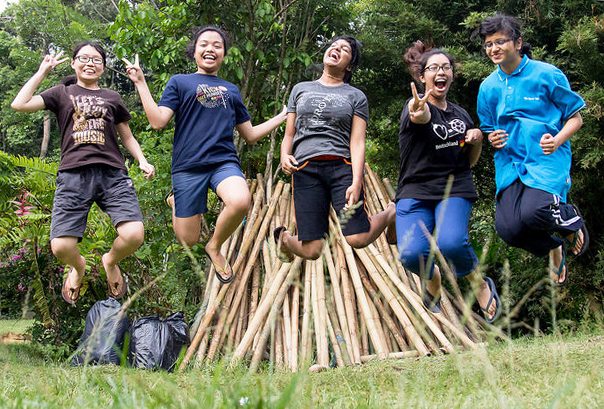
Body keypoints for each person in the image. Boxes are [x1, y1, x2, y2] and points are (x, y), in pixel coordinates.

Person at [123, 25, 287, 284]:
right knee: (187, 240)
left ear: (224, 54)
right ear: (194, 51)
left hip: (223, 162)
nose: (210, 49)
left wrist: (283, 115)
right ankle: (177, 201)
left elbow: (250, 135)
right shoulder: (180, 82)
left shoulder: (231, 90)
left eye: (217, 45)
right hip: (188, 166)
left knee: (240, 200)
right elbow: (157, 121)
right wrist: (141, 83)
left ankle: (214, 247)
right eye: (204, 44)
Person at [11, 42, 155, 304]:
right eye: (84, 58)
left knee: (134, 235)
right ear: (73, 63)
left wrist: (142, 160)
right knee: (61, 247)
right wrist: (43, 71)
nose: (90, 63)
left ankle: (110, 261)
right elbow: (19, 104)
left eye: (96, 59)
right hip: (73, 175)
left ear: (103, 66)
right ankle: (78, 267)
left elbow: (127, 137)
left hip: (113, 174)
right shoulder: (61, 92)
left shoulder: (113, 97)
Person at [476, 14, 588, 285]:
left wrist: (558, 139)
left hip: (546, 159)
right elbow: (488, 128)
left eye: (500, 41)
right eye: (489, 44)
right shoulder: (488, 87)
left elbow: (576, 117)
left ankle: (571, 221)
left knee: (533, 212)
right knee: (509, 230)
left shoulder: (546, 74)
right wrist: (492, 138)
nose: (494, 49)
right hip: (511, 165)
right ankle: (552, 247)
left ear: (518, 42)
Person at [395, 40, 500, 322]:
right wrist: (420, 110)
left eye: (446, 67)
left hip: (455, 188)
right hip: (415, 190)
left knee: (452, 243)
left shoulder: (461, 114)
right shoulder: (413, 107)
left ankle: (479, 284)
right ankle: (432, 279)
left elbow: (471, 160)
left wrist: (476, 139)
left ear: (451, 75)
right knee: (410, 253)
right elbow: (421, 116)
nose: (441, 72)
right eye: (434, 68)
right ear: (422, 76)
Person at [274, 35, 395, 262]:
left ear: (349, 65)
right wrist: (284, 155)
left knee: (357, 238)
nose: (336, 50)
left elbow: (357, 142)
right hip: (306, 168)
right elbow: (289, 133)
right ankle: (284, 239)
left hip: (342, 168)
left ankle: (391, 213)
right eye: (333, 46)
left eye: (344, 50)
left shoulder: (355, 96)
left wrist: (356, 181)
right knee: (312, 251)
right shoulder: (300, 89)